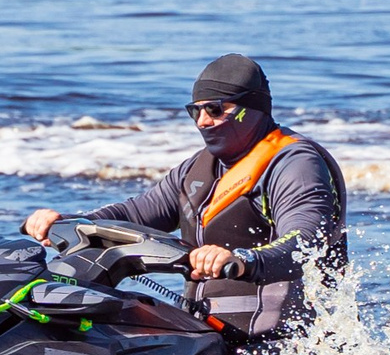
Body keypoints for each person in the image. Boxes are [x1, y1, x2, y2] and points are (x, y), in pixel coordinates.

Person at [21, 53, 348, 337]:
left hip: (280, 346)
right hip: (212, 337)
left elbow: (307, 241)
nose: (203, 122)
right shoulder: (199, 169)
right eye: (196, 111)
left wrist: (244, 260)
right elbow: (140, 213)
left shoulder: (295, 163)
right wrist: (72, 223)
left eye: (216, 109)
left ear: (252, 109)